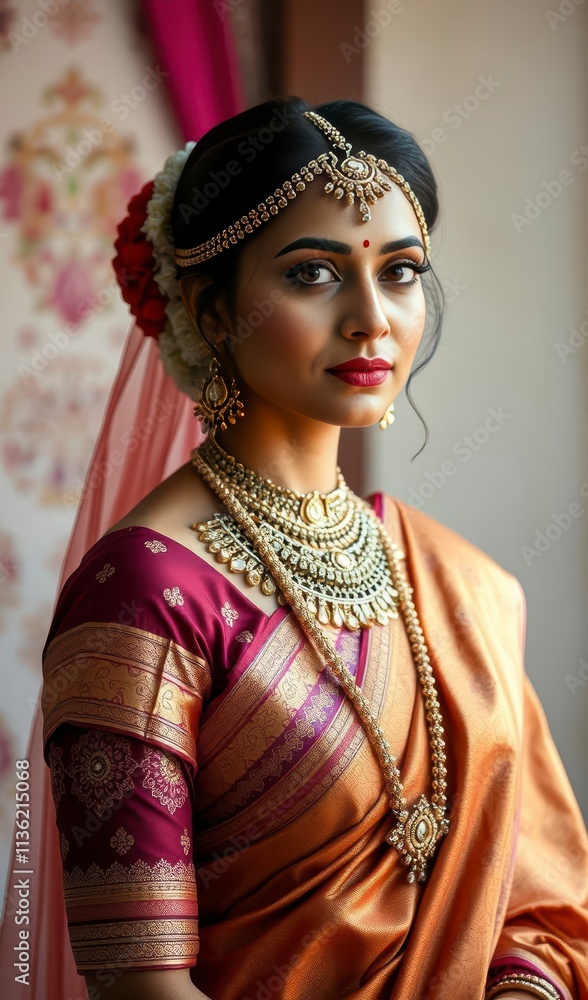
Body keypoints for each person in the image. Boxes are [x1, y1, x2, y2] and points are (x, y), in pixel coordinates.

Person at [38, 98, 588, 1000]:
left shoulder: (454, 582)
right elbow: (142, 987)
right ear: (213, 312)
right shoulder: (143, 591)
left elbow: (542, 903)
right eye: (312, 274)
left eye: (402, 272)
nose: (373, 318)